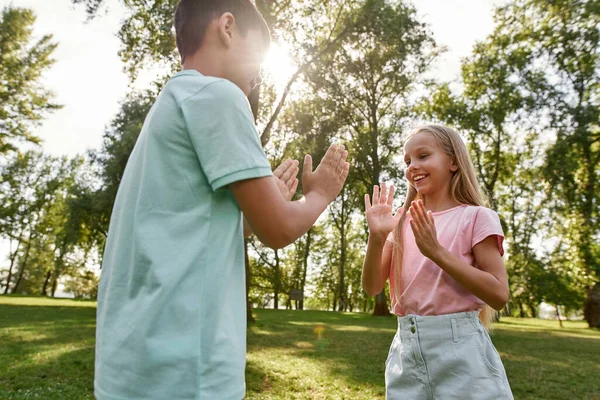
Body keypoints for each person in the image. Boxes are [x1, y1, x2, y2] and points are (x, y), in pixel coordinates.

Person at [94, 0, 350, 399]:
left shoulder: (172, 102)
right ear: (227, 28)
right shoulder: (218, 95)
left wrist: (255, 213)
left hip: (133, 364)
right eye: (259, 64)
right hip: (187, 367)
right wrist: (319, 195)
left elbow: (194, 228)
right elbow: (279, 229)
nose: (256, 81)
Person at [362, 124, 513, 399]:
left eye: (423, 156)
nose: (412, 166)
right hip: (405, 354)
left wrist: (437, 252)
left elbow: (499, 295)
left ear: (453, 162)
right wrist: (376, 237)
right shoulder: (400, 222)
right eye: (407, 161)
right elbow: (372, 287)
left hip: (463, 355)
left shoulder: (476, 217)